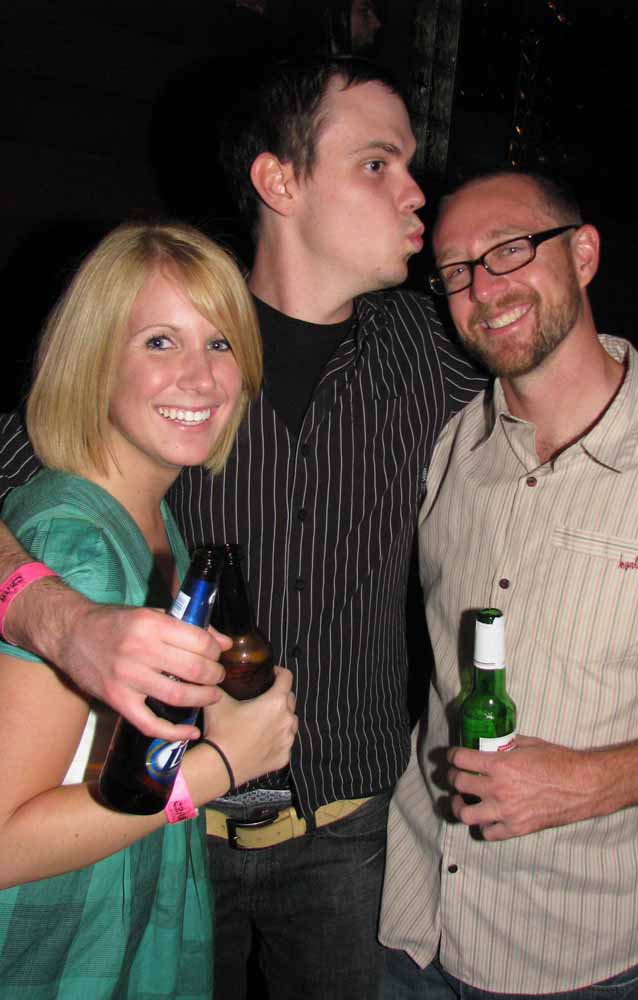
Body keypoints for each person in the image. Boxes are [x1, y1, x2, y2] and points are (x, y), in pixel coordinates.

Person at [0, 56, 638, 1000]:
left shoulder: (431, 349)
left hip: (352, 836)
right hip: (173, 827)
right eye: (378, 163)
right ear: (280, 182)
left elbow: (556, 351)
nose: (415, 191)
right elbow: (27, 476)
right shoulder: (181, 355)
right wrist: (54, 616)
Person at [378, 169, 638, 999]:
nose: (484, 289)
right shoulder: (448, 448)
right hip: (410, 928)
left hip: (591, 958)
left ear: (583, 254)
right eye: (456, 270)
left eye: (510, 250)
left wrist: (590, 782)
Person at [0, 222, 297, 998]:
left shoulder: (154, 519)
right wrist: (222, 765)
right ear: (95, 362)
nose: (201, 378)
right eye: (160, 342)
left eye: (220, 343)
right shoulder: (74, 545)